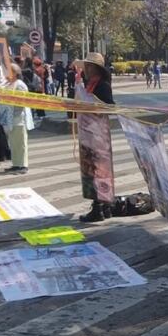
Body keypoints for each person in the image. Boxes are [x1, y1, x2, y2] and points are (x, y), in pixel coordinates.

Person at [75, 52, 115, 223]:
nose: (87, 70)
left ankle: (100, 207)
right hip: (88, 134)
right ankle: (101, 205)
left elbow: (108, 106)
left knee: (99, 169)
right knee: (92, 169)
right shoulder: (90, 84)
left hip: (98, 134)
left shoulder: (102, 85)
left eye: (90, 67)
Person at [0, 63, 33, 174]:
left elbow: (22, 102)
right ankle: (16, 164)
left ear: (14, 73)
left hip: (19, 118)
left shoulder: (19, 85)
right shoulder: (9, 84)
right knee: (13, 143)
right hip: (10, 118)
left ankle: (23, 165)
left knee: (20, 143)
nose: (5, 74)